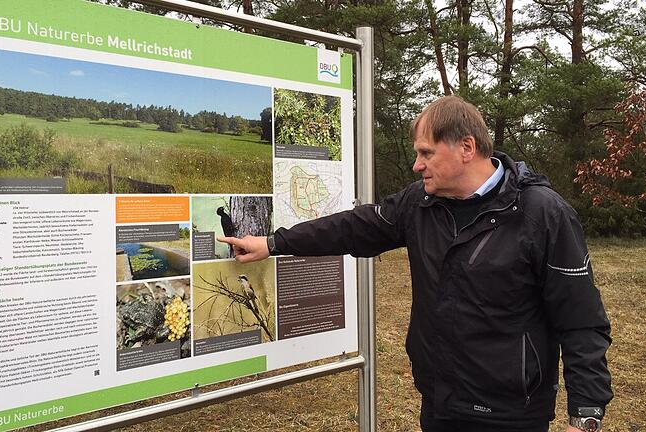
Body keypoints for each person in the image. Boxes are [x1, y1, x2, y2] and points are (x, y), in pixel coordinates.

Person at [218, 96, 612, 432]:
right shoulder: (419, 203)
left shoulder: (542, 215)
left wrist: (586, 414)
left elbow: (581, 319)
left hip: (510, 413)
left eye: (426, 153)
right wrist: (274, 242)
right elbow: (353, 228)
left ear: (466, 148)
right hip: (439, 401)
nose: (417, 165)